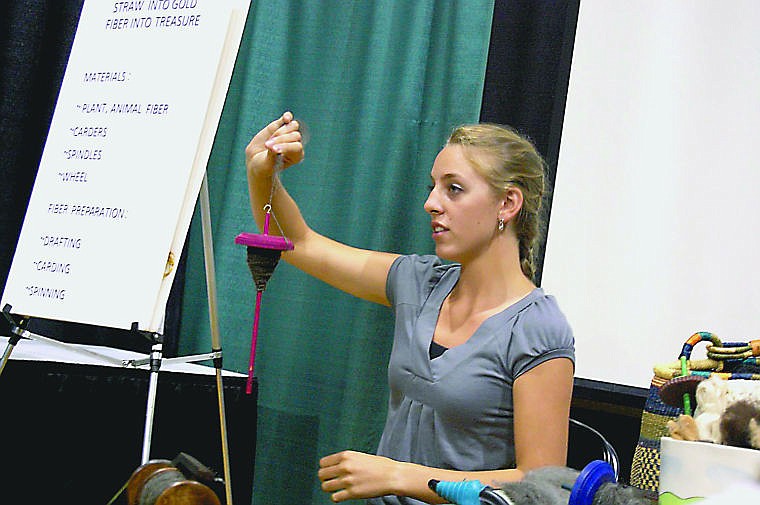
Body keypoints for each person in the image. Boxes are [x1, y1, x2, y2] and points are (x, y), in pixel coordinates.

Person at [245, 111, 575, 504]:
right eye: (433, 187)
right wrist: (262, 173)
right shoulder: (418, 283)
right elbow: (299, 243)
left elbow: (541, 488)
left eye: (453, 189)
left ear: (507, 203)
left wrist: (399, 476)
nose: (430, 203)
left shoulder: (537, 328)